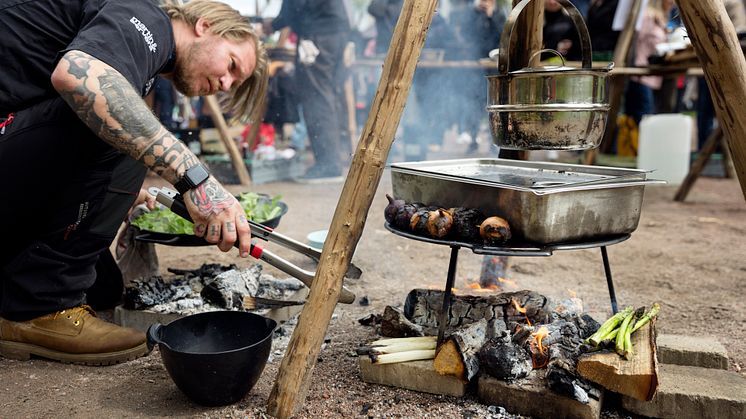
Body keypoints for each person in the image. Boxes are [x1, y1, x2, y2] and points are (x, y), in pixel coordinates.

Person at [0, 0, 269, 365]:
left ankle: (26, 294)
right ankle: (37, 309)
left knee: (104, 289)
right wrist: (197, 180)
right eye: (231, 65)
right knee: (118, 117)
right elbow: (77, 76)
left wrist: (112, 195)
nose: (223, 83)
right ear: (205, 26)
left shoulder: (144, 54)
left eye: (232, 83)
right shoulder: (145, 16)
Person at [263, 0, 351, 180]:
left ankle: (328, 164)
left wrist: (274, 24)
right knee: (326, 94)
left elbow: (295, 5)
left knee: (316, 96)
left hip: (318, 34)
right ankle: (330, 161)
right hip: (334, 31)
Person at [624, 0, 673, 126]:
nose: (672, 2)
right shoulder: (648, 17)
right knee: (645, 122)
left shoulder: (662, 19)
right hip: (641, 77)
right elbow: (636, 43)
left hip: (655, 79)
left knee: (650, 120)